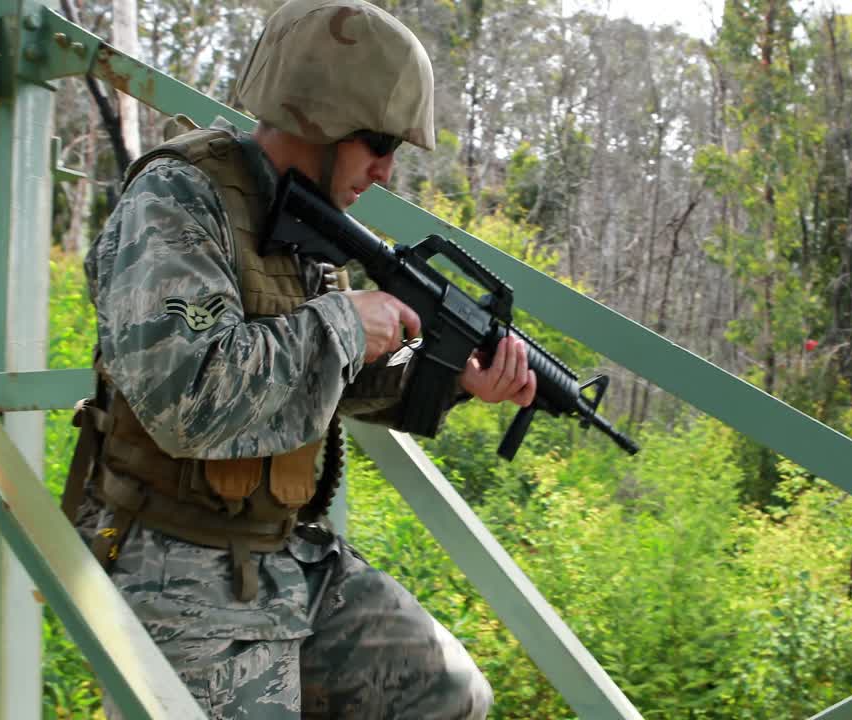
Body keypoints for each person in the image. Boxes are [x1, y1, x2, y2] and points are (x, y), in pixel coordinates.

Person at [63, 0, 536, 716]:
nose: (384, 171)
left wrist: (450, 375)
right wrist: (345, 323)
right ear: (318, 119)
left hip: (284, 555)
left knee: (445, 694)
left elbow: (324, 381)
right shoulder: (178, 198)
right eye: (378, 142)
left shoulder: (301, 218)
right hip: (175, 562)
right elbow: (185, 398)